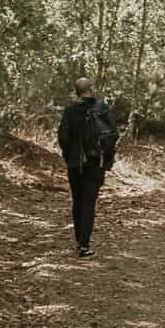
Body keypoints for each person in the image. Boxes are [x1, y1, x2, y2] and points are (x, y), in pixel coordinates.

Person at [57, 76, 118, 259]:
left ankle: (79, 241)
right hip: (96, 163)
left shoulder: (70, 111)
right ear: (91, 88)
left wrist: (69, 156)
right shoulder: (102, 108)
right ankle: (84, 244)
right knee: (89, 203)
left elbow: (63, 138)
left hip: (76, 164)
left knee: (77, 200)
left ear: (76, 91)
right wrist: (105, 159)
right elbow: (113, 134)